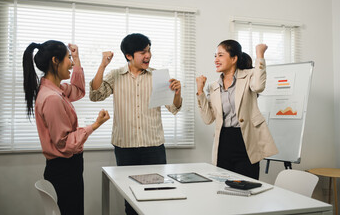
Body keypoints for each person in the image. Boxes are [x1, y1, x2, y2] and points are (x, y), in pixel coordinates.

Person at [89, 33, 182, 215]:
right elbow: (95, 95)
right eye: (142, 52)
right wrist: (102, 65)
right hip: (125, 147)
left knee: (157, 196)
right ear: (129, 56)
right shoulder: (115, 75)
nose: (148, 55)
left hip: (153, 147)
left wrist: (177, 93)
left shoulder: (158, 76)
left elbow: (174, 108)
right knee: (131, 198)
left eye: (149, 50)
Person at [22, 40, 110, 215]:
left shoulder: (55, 89)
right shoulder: (52, 98)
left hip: (66, 168)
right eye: (68, 58)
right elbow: (65, 143)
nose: (70, 63)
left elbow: (78, 90)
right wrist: (95, 125)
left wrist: (77, 58)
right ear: (55, 60)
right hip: (64, 169)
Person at [196, 39, 278, 180]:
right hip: (223, 142)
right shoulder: (213, 86)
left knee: (246, 188)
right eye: (215, 56)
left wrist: (260, 54)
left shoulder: (249, 76)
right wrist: (200, 91)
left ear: (234, 58)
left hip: (246, 142)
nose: (216, 59)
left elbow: (259, 86)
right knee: (222, 187)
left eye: (220, 55)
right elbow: (208, 119)